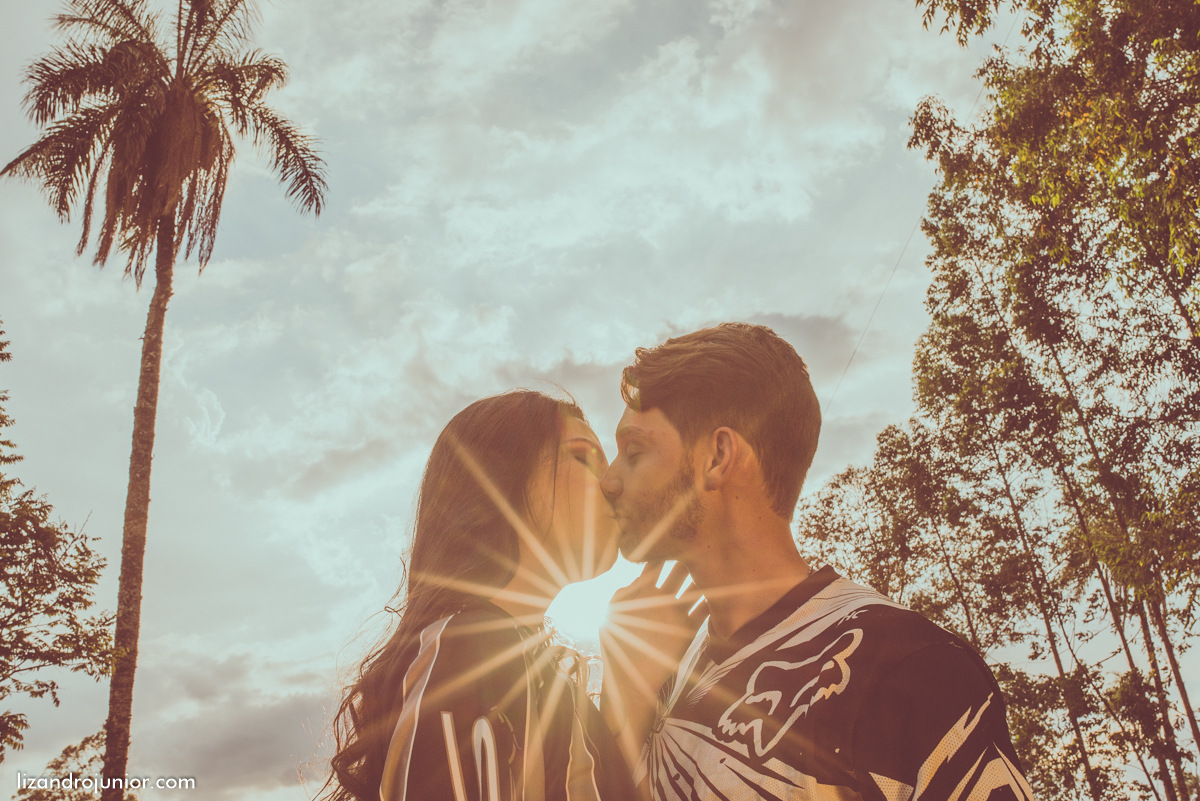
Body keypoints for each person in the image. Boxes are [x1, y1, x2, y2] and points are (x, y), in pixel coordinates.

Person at [598, 323, 1034, 801]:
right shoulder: (659, 671)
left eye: (633, 452)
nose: (608, 480)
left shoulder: (906, 669)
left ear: (717, 457)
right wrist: (622, 703)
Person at [322, 390, 637, 801]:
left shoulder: (535, 671)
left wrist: (631, 696)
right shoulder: (469, 648)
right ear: (498, 480)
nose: (612, 482)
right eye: (583, 457)